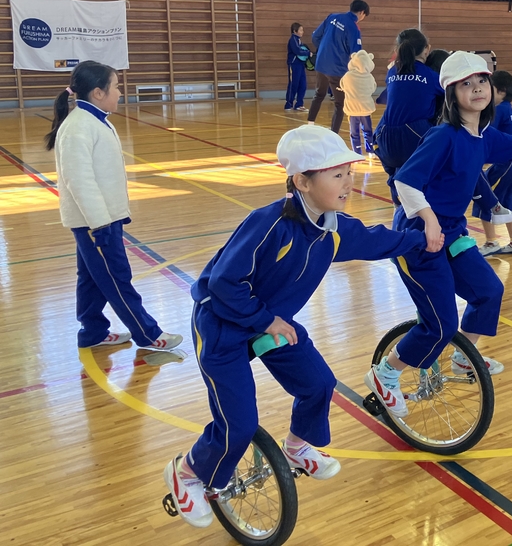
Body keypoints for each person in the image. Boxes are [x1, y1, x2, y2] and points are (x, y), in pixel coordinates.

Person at [164, 125, 427, 529]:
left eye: (350, 173)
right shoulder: (267, 224)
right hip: (222, 326)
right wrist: (265, 320)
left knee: (319, 384)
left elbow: (377, 240)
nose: (348, 182)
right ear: (303, 182)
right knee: (239, 424)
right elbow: (223, 284)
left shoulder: (333, 228)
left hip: (271, 323)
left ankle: (297, 446)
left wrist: (424, 238)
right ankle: (186, 473)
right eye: (337, 175)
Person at [365, 53, 512, 415]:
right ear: (451, 94)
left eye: (482, 81)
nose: (477, 88)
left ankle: (462, 357)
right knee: (441, 324)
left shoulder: (482, 136)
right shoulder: (444, 135)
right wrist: (429, 219)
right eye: (466, 84)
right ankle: (385, 373)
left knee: (489, 291)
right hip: (419, 236)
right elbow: (405, 182)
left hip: (452, 232)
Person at [44, 61, 182, 352]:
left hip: (100, 220)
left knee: (91, 279)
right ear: (98, 92)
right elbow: (79, 181)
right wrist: (101, 224)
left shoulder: (95, 120)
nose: (120, 92)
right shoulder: (79, 127)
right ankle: (148, 334)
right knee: (118, 279)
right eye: (116, 87)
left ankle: (93, 331)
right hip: (96, 223)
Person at [373, 29, 443, 205]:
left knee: (398, 175)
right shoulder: (430, 75)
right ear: (427, 49)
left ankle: (398, 204)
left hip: (385, 138)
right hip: (414, 135)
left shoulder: (392, 72)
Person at [476, 71, 512, 256]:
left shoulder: (499, 110)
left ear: (501, 91)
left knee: (484, 199)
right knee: (508, 204)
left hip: (504, 163)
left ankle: (491, 242)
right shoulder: (508, 108)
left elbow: (486, 135)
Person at [307, 0, 369, 133]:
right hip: (337, 69)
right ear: (362, 13)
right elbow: (356, 54)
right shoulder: (353, 27)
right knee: (340, 103)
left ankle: (309, 124)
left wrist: (324, 51)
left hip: (321, 64)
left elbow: (315, 36)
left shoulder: (332, 17)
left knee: (319, 94)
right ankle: (333, 134)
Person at [340, 49, 377, 155]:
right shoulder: (369, 77)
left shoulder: (348, 76)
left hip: (352, 109)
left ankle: (357, 152)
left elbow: (342, 85)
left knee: (354, 132)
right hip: (365, 108)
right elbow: (373, 88)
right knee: (368, 130)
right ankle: (370, 151)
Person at [284, 22, 311, 111]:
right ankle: (288, 104)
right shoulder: (293, 40)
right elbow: (297, 51)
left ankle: (299, 104)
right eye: (301, 30)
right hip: (294, 65)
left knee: (303, 84)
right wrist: (308, 53)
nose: (302, 32)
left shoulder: (299, 40)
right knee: (293, 84)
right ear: (295, 31)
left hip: (300, 64)